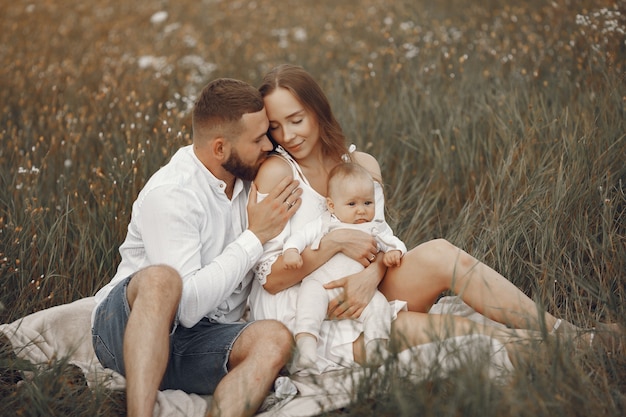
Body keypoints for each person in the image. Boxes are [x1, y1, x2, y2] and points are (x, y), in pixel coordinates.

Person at [249, 64, 621, 372]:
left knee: (441, 252)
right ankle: (577, 356)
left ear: (317, 110)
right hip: (316, 307)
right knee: (462, 332)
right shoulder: (278, 173)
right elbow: (272, 280)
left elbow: (380, 237)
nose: (288, 135)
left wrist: (370, 275)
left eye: (296, 119)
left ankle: (567, 332)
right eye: (277, 127)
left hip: (369, 287)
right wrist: (333, 243)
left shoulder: (360, 166)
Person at [90, 78, 304, 417]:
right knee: (163, 279)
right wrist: (255, 236)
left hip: (199, 341)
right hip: (126, 332)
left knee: (275, 338)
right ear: (220, 148)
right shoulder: (172, 194)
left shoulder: (255, 179)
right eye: (258, 138)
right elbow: (186, 306)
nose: (270, 145)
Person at [283, 162, 406, 370]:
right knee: (308, 302)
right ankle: (306, 349)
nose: (361, 211)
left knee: (379, 306)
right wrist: (291, 251)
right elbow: (300, 237)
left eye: (368, 203)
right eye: (352, 204)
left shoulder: (375, 226)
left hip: (359, 290)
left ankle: (376, 346)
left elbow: (394, 241)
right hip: (322, 284)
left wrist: (395, 252)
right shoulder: (325, 222)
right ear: (332, 206)